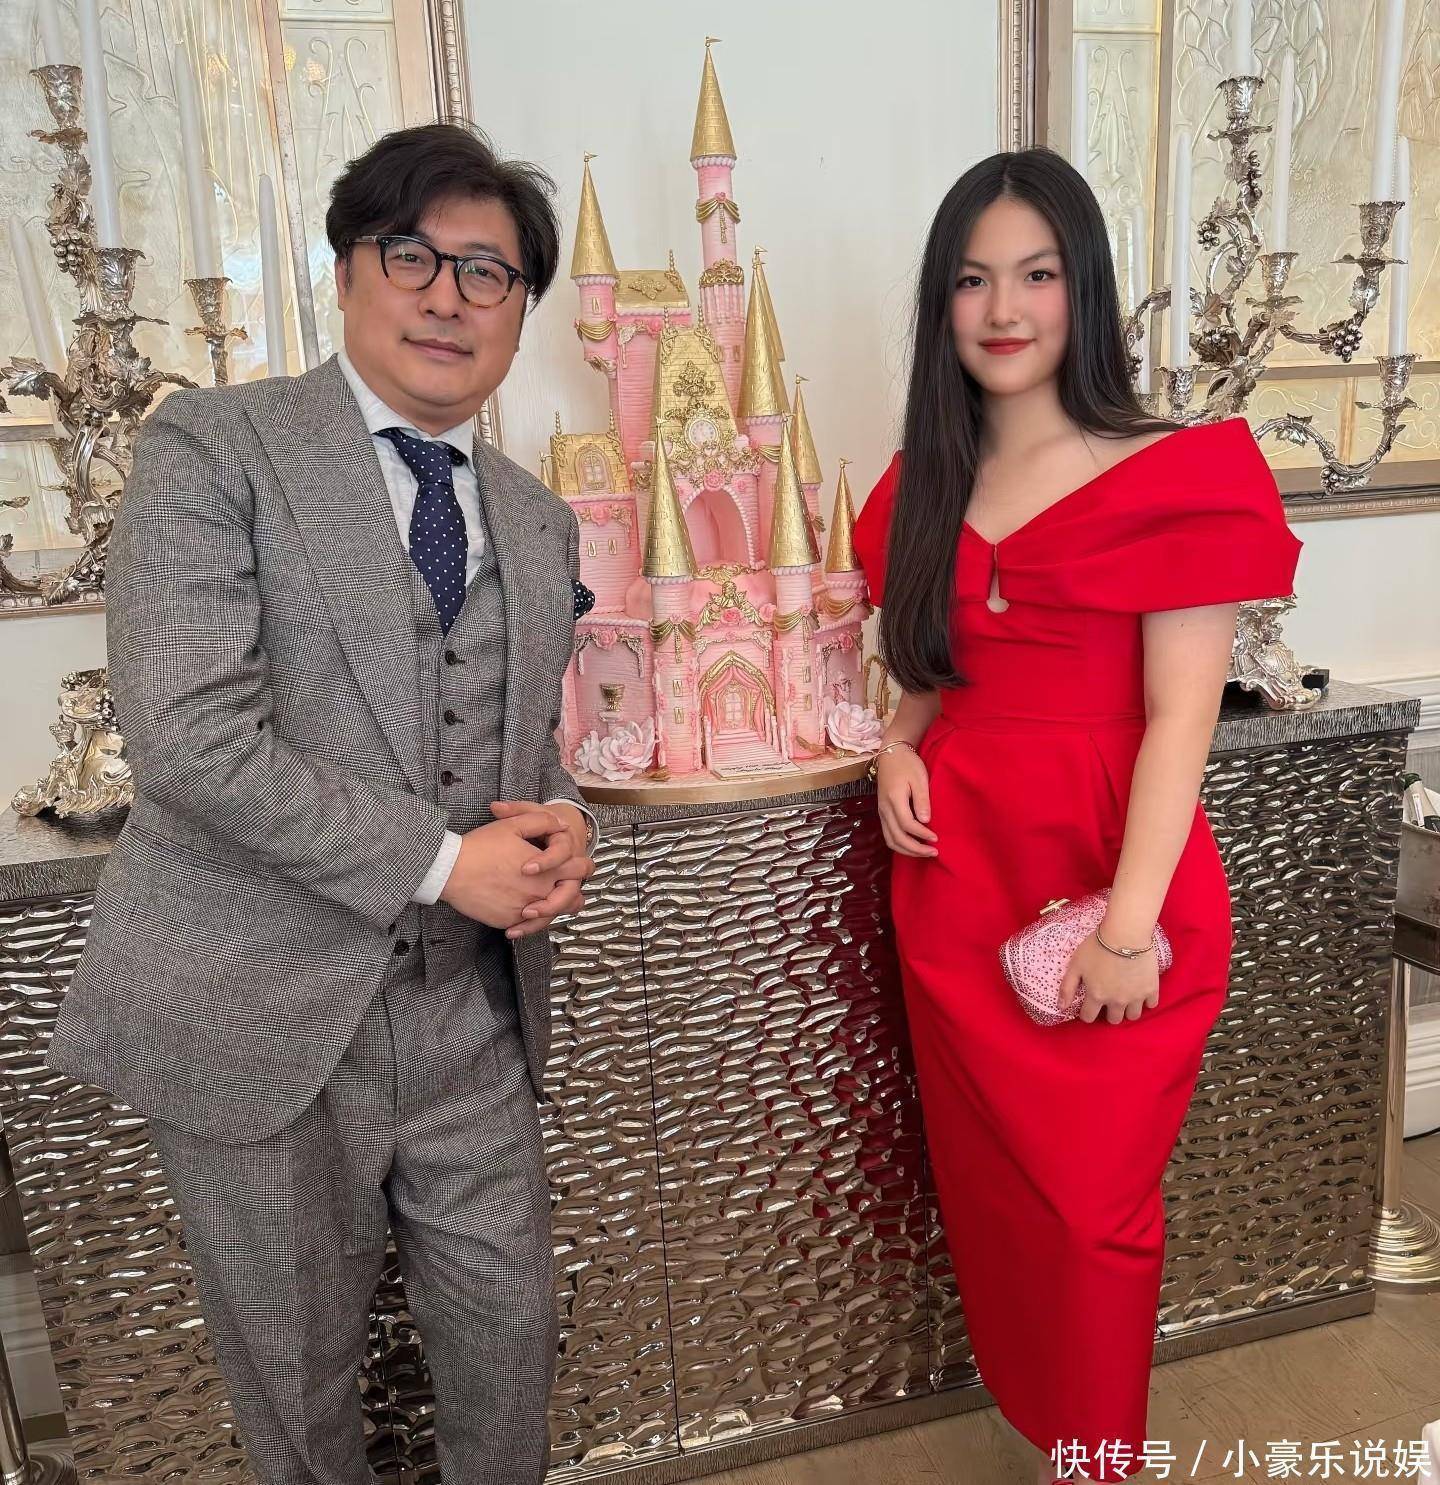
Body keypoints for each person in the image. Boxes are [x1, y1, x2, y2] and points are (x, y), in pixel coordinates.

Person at [47, 122, 600, 1485]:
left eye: (488, 273)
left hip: (467, 1016)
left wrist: (565, 814)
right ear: (346, 271)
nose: (447, 297)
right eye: (412, 256)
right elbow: (189, 737)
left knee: (510, 1355)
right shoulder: (214, 447)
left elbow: (516, 732)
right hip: (261, 1012)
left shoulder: (538, 518)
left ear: (521, 310)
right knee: (296, 1401)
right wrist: (443, 863)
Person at [852, 148, 1302, 1485]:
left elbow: (1180, 721)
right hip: (960, 876)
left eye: (1037, 274)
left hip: (1118, 876)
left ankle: (1099, 1462)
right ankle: (1058, 1434)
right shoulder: (922, 483)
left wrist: (1127, 925)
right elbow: (929, 666)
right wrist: (896, 747)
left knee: (1096, 1205)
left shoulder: (1176, 471)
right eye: (973, 279)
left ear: (1083, 289)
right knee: (998, 1191)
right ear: (941, 303)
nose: (1005, 308)